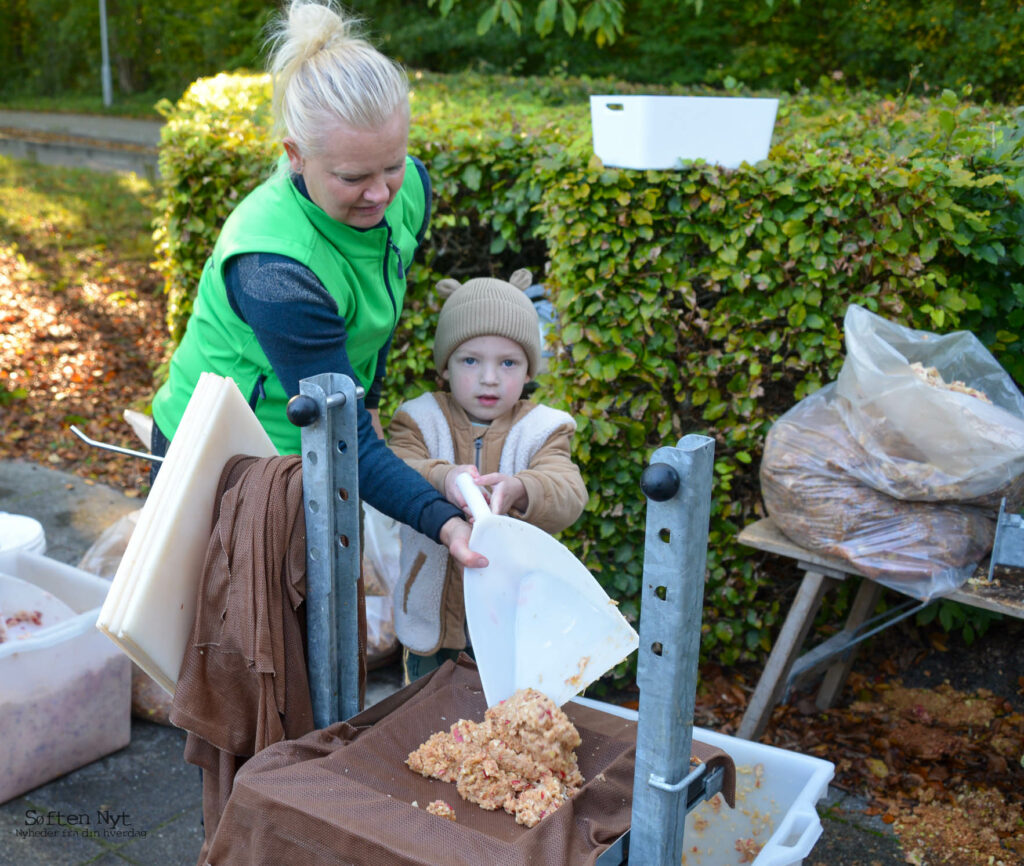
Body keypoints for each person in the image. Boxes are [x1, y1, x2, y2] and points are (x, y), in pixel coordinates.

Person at [149, 0, 483, 569]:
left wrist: (369, 404)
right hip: (221, 461)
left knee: (310, 630)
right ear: (295, 156)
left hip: (321, 443)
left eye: (393, 165)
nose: (381, 194)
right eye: (353, 177)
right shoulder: (275, 268)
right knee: (233, 646)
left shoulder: (410, 192)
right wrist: (440, 516)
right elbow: (338, 435)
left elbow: (373, 320)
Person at [388, 268, 588, 683]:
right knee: (421, 720)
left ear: (530, 371)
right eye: (470, 360)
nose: (490, 377)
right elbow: (396, 472)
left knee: (504, 722)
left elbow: (568, 491)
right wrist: (443, 477)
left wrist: (521, 488)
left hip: (514, 623)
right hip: (432, 628)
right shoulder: (418, 420)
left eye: (509, 362)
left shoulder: (544, 430)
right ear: (444, 366)